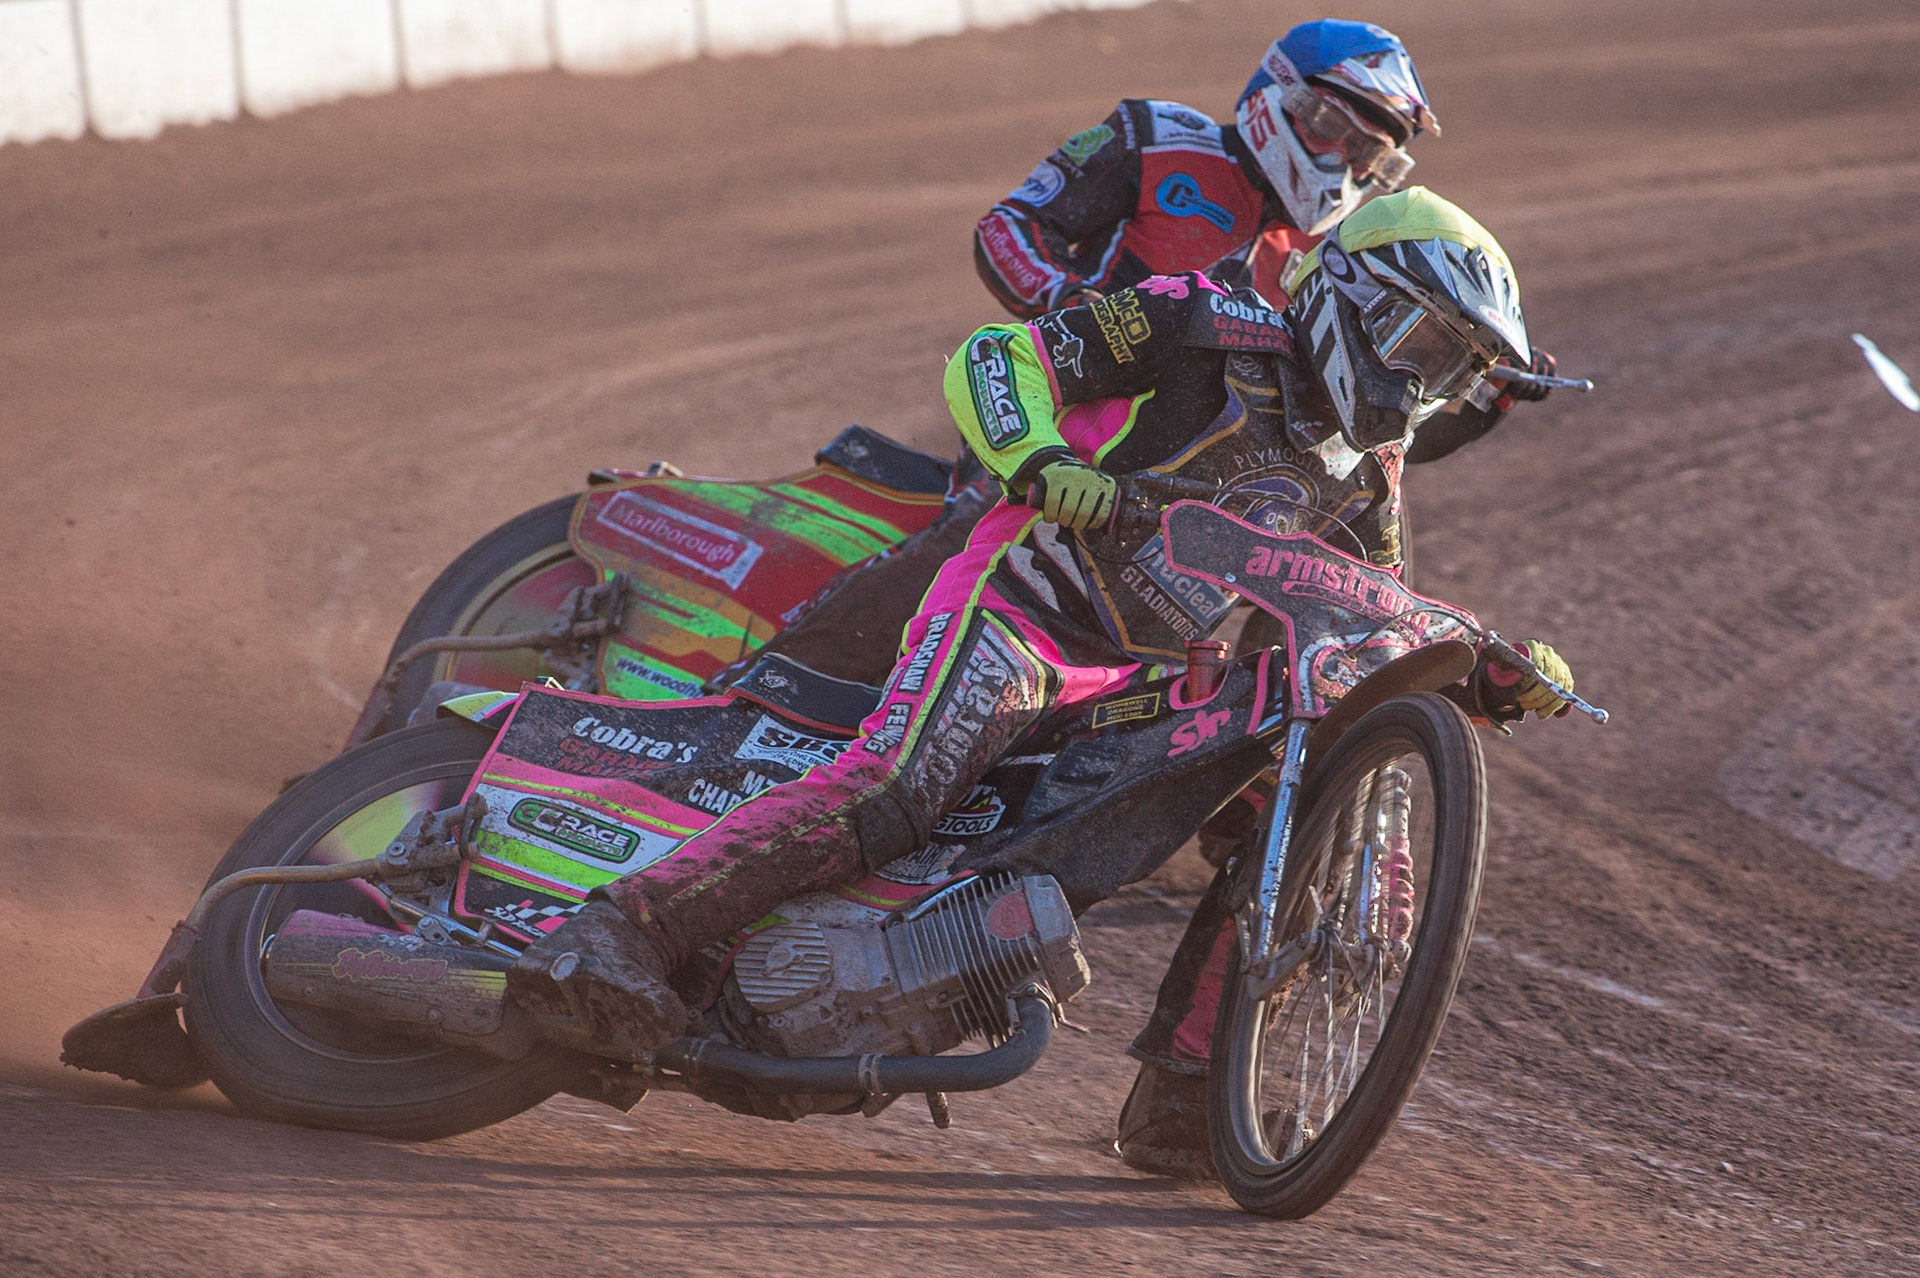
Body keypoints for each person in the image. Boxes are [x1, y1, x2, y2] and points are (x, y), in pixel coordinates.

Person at [505, 189, 1578, 1178]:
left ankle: (1183, 1099)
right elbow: (998, 358)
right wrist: (1034, 460)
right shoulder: (1198, 316)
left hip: (1138, 673)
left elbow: (1361, 608)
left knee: (1254, 805)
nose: (1427, 385)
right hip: (1021, 605)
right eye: (1424, 345)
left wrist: (1485, 665)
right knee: (898, 790)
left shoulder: (1372, 469)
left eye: (1453, 369)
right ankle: (619, 932)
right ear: (1352, 296)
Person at [974, 19, 1439, 317]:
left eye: (1368, 154)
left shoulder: (1339, 251)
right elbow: (1009, 224)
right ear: (1282, 92)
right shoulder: (1159, 139)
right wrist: (1066, 299)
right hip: (1070, 407)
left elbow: (1354, 398)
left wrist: (1468, 408)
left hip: (1212, 455)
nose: (1341, 157)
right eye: (1328, 123)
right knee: (996, 471)